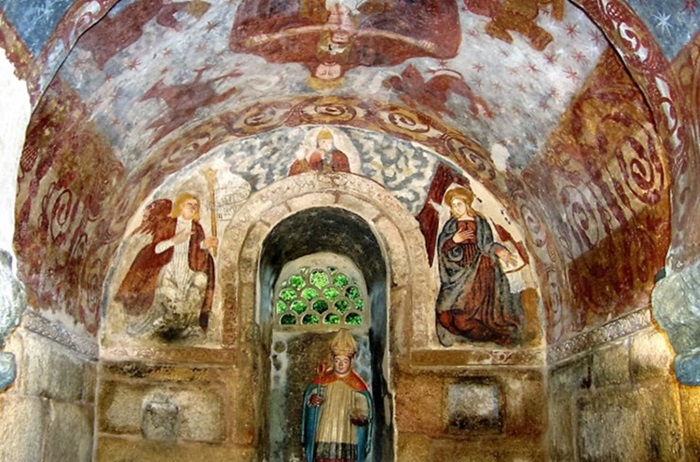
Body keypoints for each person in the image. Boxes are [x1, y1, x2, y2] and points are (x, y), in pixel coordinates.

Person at [115, 193, 218, 339]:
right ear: (180, 206)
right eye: (189, 204)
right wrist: (174, 241)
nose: (193, 208)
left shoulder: (197, 227)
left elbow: (196, 251)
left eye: (196, 206)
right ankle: (164, 324)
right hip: (169, 269)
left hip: (188, 270)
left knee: (201, 279)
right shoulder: (168, 224)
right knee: (172, 300)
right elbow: (156, 249)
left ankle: (191, 324)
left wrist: (205, 245)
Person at [435, 186, 523, 347]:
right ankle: (470, 333)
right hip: (457, 273)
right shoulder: (450, 225)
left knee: (472, 315)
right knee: (444, 314)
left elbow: (486, 244)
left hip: (479, 271)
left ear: (467, 203)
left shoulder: (480, 222)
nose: (456, 208)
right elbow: (443, 248)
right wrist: (454, 240)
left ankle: (493, 335)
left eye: (459, 204)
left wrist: (500, 250)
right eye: (453, 205)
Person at [302, 329, 372, 462]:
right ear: (333, 360)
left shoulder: (357, 384)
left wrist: (360, 415)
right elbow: (310, 399)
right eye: (337, 360)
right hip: (324, 429)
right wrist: (312, 400)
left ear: (351, 361)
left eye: (344, 361)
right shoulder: (323, 379)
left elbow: (364, 406)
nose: (340, 365)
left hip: (347, 431)